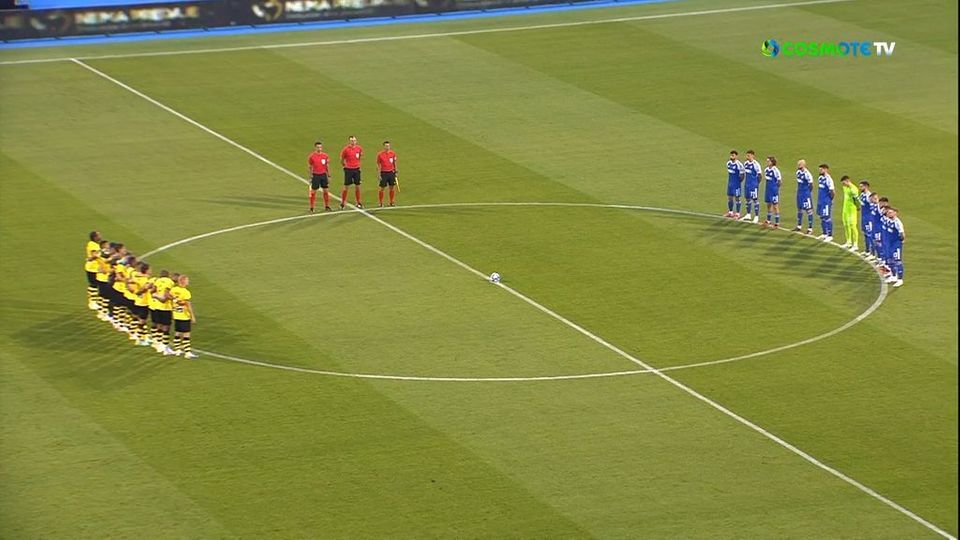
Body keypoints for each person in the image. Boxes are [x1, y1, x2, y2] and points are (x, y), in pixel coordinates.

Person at [169, 274, 198, 358]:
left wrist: (175, 301)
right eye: (187, 280)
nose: (188, 282)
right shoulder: (186, 292)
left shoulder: (174, 289)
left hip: (176, 314)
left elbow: (170, 297)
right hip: (184, 315)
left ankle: (177, 350)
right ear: (183, 281)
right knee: (186, 334)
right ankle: (187, 352)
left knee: (177, 332)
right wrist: (192, 316)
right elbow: (188, 305)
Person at [151, 270, 176, 355]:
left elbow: (152, 291)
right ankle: (165, 347)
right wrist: (173, 298)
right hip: (166, 307)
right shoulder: (169, 282)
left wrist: (156, 296)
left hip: (157, 306)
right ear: (168, 275)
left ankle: (159, 345)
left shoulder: (157, 281)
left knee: (159, 325)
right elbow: (166, 295)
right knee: (166, 327)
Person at [883, 207, 905, 287]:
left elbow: (902, 234)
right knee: (889, 259)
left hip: (895, 244)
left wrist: (900, 241)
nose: (888, 214)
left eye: (890, 212)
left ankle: (900, 279)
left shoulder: (898, 223)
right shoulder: (887, 220)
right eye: (888, 212)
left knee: (897, 261)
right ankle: (893, 275)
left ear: (895, 213)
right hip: (889, 243)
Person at [339, 135, 363, 209]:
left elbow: (359, 157)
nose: (353, 142)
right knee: (346, 187)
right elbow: (342, 159)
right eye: (352, 141)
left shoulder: (359, 149)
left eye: (354, 140)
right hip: (348, 170)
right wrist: (345, 166)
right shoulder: (346, 150)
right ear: (349, 141)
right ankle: (342, 203)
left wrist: (357, 164)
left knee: (357, 186)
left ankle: (358, 202)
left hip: (356, 169)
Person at [307, 141, 332, 213]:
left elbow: (327, 166)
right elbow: (310, 167)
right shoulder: (312, 156)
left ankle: (327, 206)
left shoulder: (325, 156)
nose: (319, 148)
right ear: (315, 148)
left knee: (326, 191)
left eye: (320, 147)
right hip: (315, 175)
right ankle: (312, 207)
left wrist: (329, 175)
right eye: (318, 147)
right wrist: (310, 177)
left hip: (323, 175)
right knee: (313, 192)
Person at [740, 150, 762, 223]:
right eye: (747, 155)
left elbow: (760, 175)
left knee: (755, 199)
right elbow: (743, 173)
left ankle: (756, 216)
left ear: (753, 156)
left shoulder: (756, 164)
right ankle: (748, 214)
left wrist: (756, 184)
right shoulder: (745, 163)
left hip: (753, 185)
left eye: (748, 155)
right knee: (747, 199)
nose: (747, 157)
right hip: (747, 184)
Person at [839, 175, 859, 251]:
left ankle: (855, 244)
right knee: (846, 225)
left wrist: (858, 207)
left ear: (847, 181)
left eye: (844, 183)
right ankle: (848, 242)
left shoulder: (854, 189)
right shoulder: (845, 187)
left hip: (852, 210)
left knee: (852, 226)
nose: (843, 184)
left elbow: (857, 200)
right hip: (845, 209)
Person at [794, 159, 815, 234]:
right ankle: (799, 226)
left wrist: (808, 192)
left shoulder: (807, 174)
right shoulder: (798, 172)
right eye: (798, 164)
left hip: (806, 195)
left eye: (800, 164)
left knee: (809, 210)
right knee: (799, 209)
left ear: (804, 165)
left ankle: (810, 228)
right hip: (799, 194)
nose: (798, 165)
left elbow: (811, 185)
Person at [377, 140, 398, 208]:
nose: (387, 147)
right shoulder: (380, 154)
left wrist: (396, 170)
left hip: (391, 173)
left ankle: (391, 202)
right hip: (384, 173)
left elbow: (394, 162)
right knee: (382, 188)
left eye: (388, 146)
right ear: (384, 147)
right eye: (386, 146)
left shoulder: (393, 153)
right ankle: (380, 203)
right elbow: (378, 165)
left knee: (392, 188)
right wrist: (379, 174)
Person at [762, 156, 782, 228]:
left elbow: (779, 181)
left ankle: (777, 223)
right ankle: (768, 220)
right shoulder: (766, 170)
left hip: (773, 191)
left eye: (768, 161)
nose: (767, 162)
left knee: (775, 206)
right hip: (768, 190)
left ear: (772, 162)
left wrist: (775, 189)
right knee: (768, 205)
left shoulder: (776, 170)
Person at [724, 150, 745, 218]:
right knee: (730, 198)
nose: (731, 156)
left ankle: (738, 213)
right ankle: (730, 212)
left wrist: (738, 182)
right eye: (731, 155)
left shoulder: (739, 164)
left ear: (736, 156)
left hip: (736, 184)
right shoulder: (728, 163)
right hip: (730, 184)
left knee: (737, 198)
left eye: (733, 155)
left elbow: (742, 175)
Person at [84, 231, 102, 310]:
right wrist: (102, 254)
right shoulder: (93, 245)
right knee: (94, 285)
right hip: (92, 268)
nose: (100, 236)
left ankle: (92, 300)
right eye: (98, 235)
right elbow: (94, 255)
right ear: (95, 237)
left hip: (94, 268)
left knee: (94, 284)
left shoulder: (94, 244)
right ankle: (92, 302)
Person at [857, 181, 873, 255]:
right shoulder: (862, 194)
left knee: (870, 234)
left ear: (866, 186)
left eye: (861, 186)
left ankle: (872, 253)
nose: (860, 188)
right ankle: (867, 250)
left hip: (869, 218)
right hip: (863, 217)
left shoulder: (869, 196)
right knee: (865, 234)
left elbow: (873, 207)